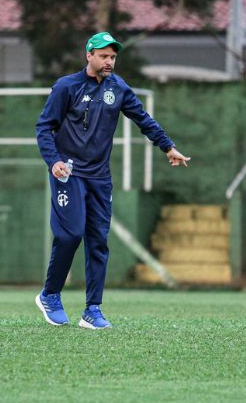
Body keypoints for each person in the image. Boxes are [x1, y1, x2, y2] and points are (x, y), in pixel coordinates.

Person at [34, 31, 190, 329]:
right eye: (104, 56)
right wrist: (53, 161)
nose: (109, 62)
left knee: (98, 241)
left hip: (100, 177)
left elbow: (143, 119)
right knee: (70, 234)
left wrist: (168, 147)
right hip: (67, 172)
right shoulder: (66, 87)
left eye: (113, 57)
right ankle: (50, 294)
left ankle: (92, 310)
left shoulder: (118, 88)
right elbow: (44, 128)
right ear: (89, 55)